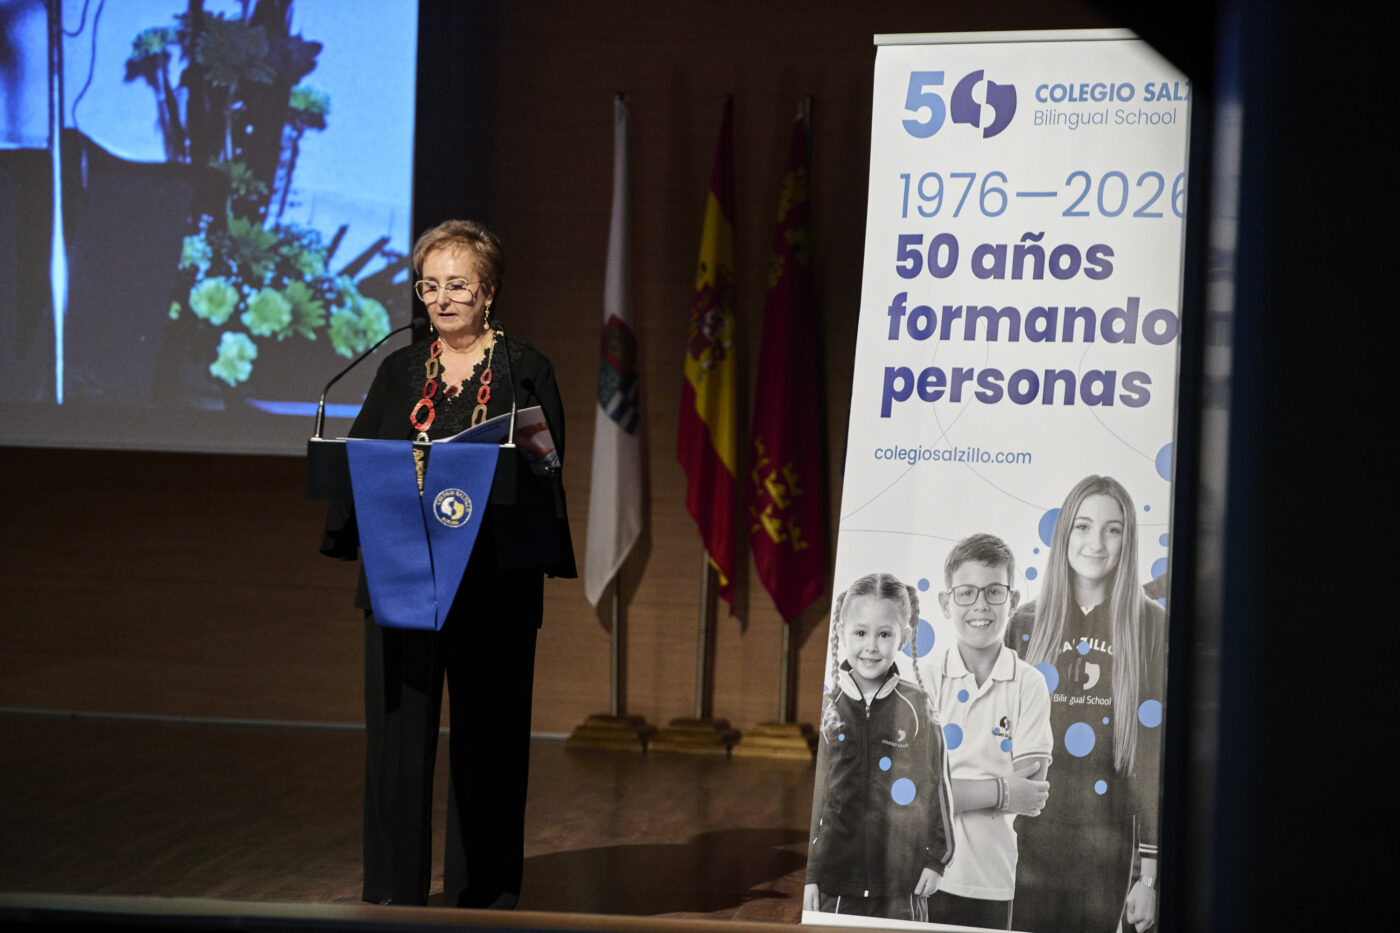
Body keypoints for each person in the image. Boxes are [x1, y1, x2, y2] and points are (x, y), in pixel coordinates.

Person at [320, 219, 575, 908]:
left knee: (488, 741)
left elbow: (546, 465)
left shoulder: (525, 367)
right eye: (429, 285)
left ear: (487, 290)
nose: (441, 297)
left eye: (456, 284)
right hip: (405, 575)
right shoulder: (397, 369)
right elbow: (360, 459)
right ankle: (393, 889)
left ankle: (482, 892)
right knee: (397, 739)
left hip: (491, 579)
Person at [1005, 475, 1166, 933]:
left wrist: (1149, 877)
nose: (1096, 542)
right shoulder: (1024, 622)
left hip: (1108, 852)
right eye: (1083, 526)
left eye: (1112, 529)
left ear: (1127, 540)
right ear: (1064, 534)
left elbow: (1153, 756)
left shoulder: (1151, 625)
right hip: (1025, 847)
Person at [803, 572, 954, 923]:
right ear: (841, 631)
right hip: (834, 883)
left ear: (905, 637)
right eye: (860, 633)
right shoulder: (826, 709)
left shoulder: (918, 707)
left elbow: (938, 789)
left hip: (902, 884)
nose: (871, 645)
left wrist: (937, 859)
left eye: (884, 634)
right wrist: (808, 873)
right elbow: (812, 797)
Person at [925, 533, 1052, 931]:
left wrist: (945, 788)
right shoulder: (922, 681)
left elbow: (1030, 792)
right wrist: (1001, 790)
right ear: (947, 603)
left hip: (992, 881)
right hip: (922, 875)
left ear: (1012, 601)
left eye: (994, 592)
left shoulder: (1029, 684)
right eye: (966, 593)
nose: (980, 605)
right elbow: (911, 791)